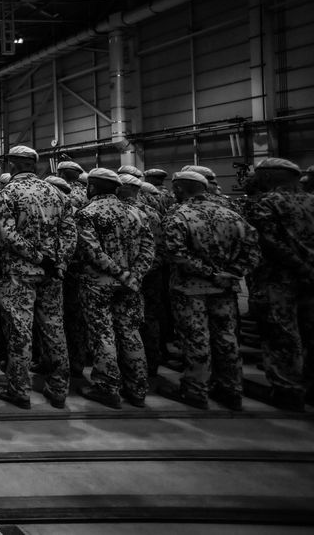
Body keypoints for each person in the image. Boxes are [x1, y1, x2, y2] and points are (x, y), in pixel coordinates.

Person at [160, 170, 260, 410]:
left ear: (180, 189)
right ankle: (231, 389)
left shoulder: (179, 215)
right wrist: (233, 273)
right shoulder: (232, 215)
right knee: (227, 338)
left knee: (196, 338)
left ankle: (196, 389)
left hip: (190, 290)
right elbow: (254, 251)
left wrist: (208, 273)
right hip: (225, 289)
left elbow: (175, 254)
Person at [0, 145, 77, 409]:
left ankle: (19, 389)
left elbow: (7, 234)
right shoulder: (57, 193)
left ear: (15, 165)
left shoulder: (8, 193)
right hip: (52, 274)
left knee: (20, 330)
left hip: (20, 272)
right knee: (54, 330)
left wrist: (36, 256)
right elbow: (69, 233)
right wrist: (58, 262)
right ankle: (59, 389)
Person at [73, 168, 156, 409]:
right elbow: (148, 249)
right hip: (130, 285)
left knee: (103, 334)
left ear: (91, 188)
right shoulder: (136, 213)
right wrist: (134, 275)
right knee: (130, 333)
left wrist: (117, 272)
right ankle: (138, 388)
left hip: (99, 284)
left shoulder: (87, 214)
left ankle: (107, 387)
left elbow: (91, 250)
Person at [243, 157, 314, 411]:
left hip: (279, 280)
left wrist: (298, 265)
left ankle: (287, 390)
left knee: (281, 335)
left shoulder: (270, 202)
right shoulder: (311, 200)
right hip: (309, 279)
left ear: (270, 177)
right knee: (309, 333)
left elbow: (267, 241)